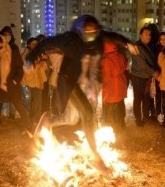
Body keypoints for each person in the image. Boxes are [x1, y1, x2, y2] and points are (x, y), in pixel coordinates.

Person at [25, 14, 138, 174]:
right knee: (87, 113)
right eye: (88, 32)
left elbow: (114, 36)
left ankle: (47, 121)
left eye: (94, 32)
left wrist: (128, 43)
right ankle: (94, 157)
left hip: (89, 82)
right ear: (81, 31)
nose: (91, 36)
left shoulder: (99, 37)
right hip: (71, 82)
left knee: (72, 119)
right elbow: (45, 42)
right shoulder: (70, 39)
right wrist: (30, 59)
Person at [0, 34, 31, 132]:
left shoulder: (12, 53)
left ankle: (29, 126)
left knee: (19, 105)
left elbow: (20, 69)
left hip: (11, 85)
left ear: (3, 43)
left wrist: (14, 81)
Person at [131, 26, 159, 126]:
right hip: (138, 76)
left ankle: (145, 116)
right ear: (140, 35)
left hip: (146, 76)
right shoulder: (138, 47)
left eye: (150, 34)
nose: (148, 36)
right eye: (146, 34)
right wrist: (154, 72)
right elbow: (142, 65)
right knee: (138, 98)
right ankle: (138, 119)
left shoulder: (147, 46)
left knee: (146, 98)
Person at [101, 41, 129, 136]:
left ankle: (114, 132)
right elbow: (126, 65)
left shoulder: (106, 61)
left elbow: (106, 79)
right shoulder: (120, 56)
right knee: (120, 107)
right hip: (121, 88)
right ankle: (121, 125)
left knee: (111, 112)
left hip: (111, 91)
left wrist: (104, 95)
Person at [21, 37, 48, 124]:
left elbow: (44, 65)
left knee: (37, 101)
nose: (35, 46)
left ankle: (34, 119)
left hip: (38, 80)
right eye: (33, 44)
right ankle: (34, 120)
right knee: (35, 100)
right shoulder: (27, 54)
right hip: (31, 81)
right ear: (29, 45)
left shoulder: (38, 54)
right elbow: (26, 66)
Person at [154, 32, 165, 119]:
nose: (163, 41)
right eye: (161, 39)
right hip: (158, 75)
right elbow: (154, 62)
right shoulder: (156, 49)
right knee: (158, 94)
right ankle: (159, 112)